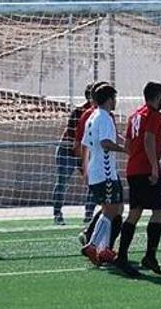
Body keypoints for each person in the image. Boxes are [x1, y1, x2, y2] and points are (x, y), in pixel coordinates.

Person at [116, 81, 161, 277]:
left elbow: (128, 145)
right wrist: (155, 167)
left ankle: (122, 256)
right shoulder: (153, 115)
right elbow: (148, 139)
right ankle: (149, 255)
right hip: (146, 170)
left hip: (133, 169)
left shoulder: (134, 115)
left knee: (135, 213)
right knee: (158, 211)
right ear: (158, 96)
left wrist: (136, 158)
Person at [79, 85, 126, 266]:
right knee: (110, 211)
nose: (116, 101)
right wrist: (125, 150)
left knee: (116, 209)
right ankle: (93, 245)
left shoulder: (93, 116)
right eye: (114, 98)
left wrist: (85, 170)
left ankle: (104, 248)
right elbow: (105, 143)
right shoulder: (104, 117)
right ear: (109, 99)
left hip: (97, 171)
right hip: (105, 172)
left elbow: (85, 144)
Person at [52, 82, 96, 226]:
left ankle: (88, 217)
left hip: (85, 152)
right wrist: (83, 161)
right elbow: (74, 141)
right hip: (68, 151)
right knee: (62, 183)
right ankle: (57, 214)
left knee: (94, 183)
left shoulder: (101, 113)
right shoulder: (78, 113)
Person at [74, 81, 110, 224]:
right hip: (102, 167)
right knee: (112, 207)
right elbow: (84, 142)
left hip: (99, 166)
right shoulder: (97, 116)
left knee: (109, 206)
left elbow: (84, 142)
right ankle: (91, 235)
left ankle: (90, 231)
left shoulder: (95, 115)